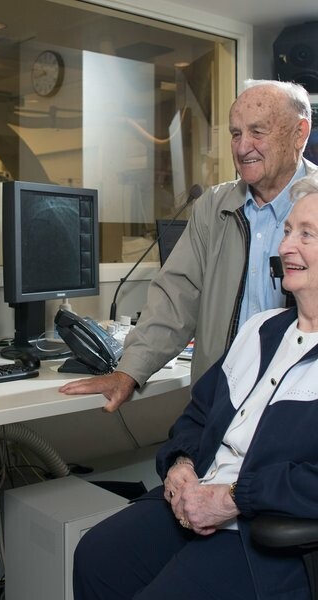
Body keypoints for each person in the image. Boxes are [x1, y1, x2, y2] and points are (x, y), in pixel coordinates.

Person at [73, 172, 318, 600]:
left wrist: (235, 497)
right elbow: (197, 416)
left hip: (259, 525)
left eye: (306, 235)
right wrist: (181, 465)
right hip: (198, 496)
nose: (285, 246)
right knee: (96, 555)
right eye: (287, 231)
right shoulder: (261, 331)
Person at [60, 79, 317, 412]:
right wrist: (129, 370)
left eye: (258, 132)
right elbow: (175, 297)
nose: (242, 148)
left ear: (299, 133)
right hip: (220, 399)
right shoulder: (213, 207)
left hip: (298, 405)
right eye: (236, 134)